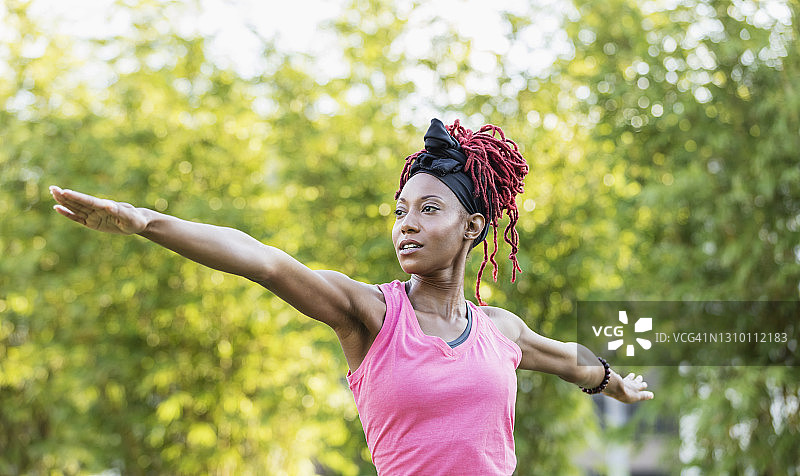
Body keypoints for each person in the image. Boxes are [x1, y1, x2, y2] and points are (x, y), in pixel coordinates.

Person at [50, 118, 653, 475]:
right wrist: (144, 222)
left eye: (428, 209)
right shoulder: (373, 315)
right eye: (400, 212)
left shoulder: (500, 330)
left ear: (471, 227)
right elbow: (264, 261)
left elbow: (565, 357)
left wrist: (611, 380)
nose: (406, 225)